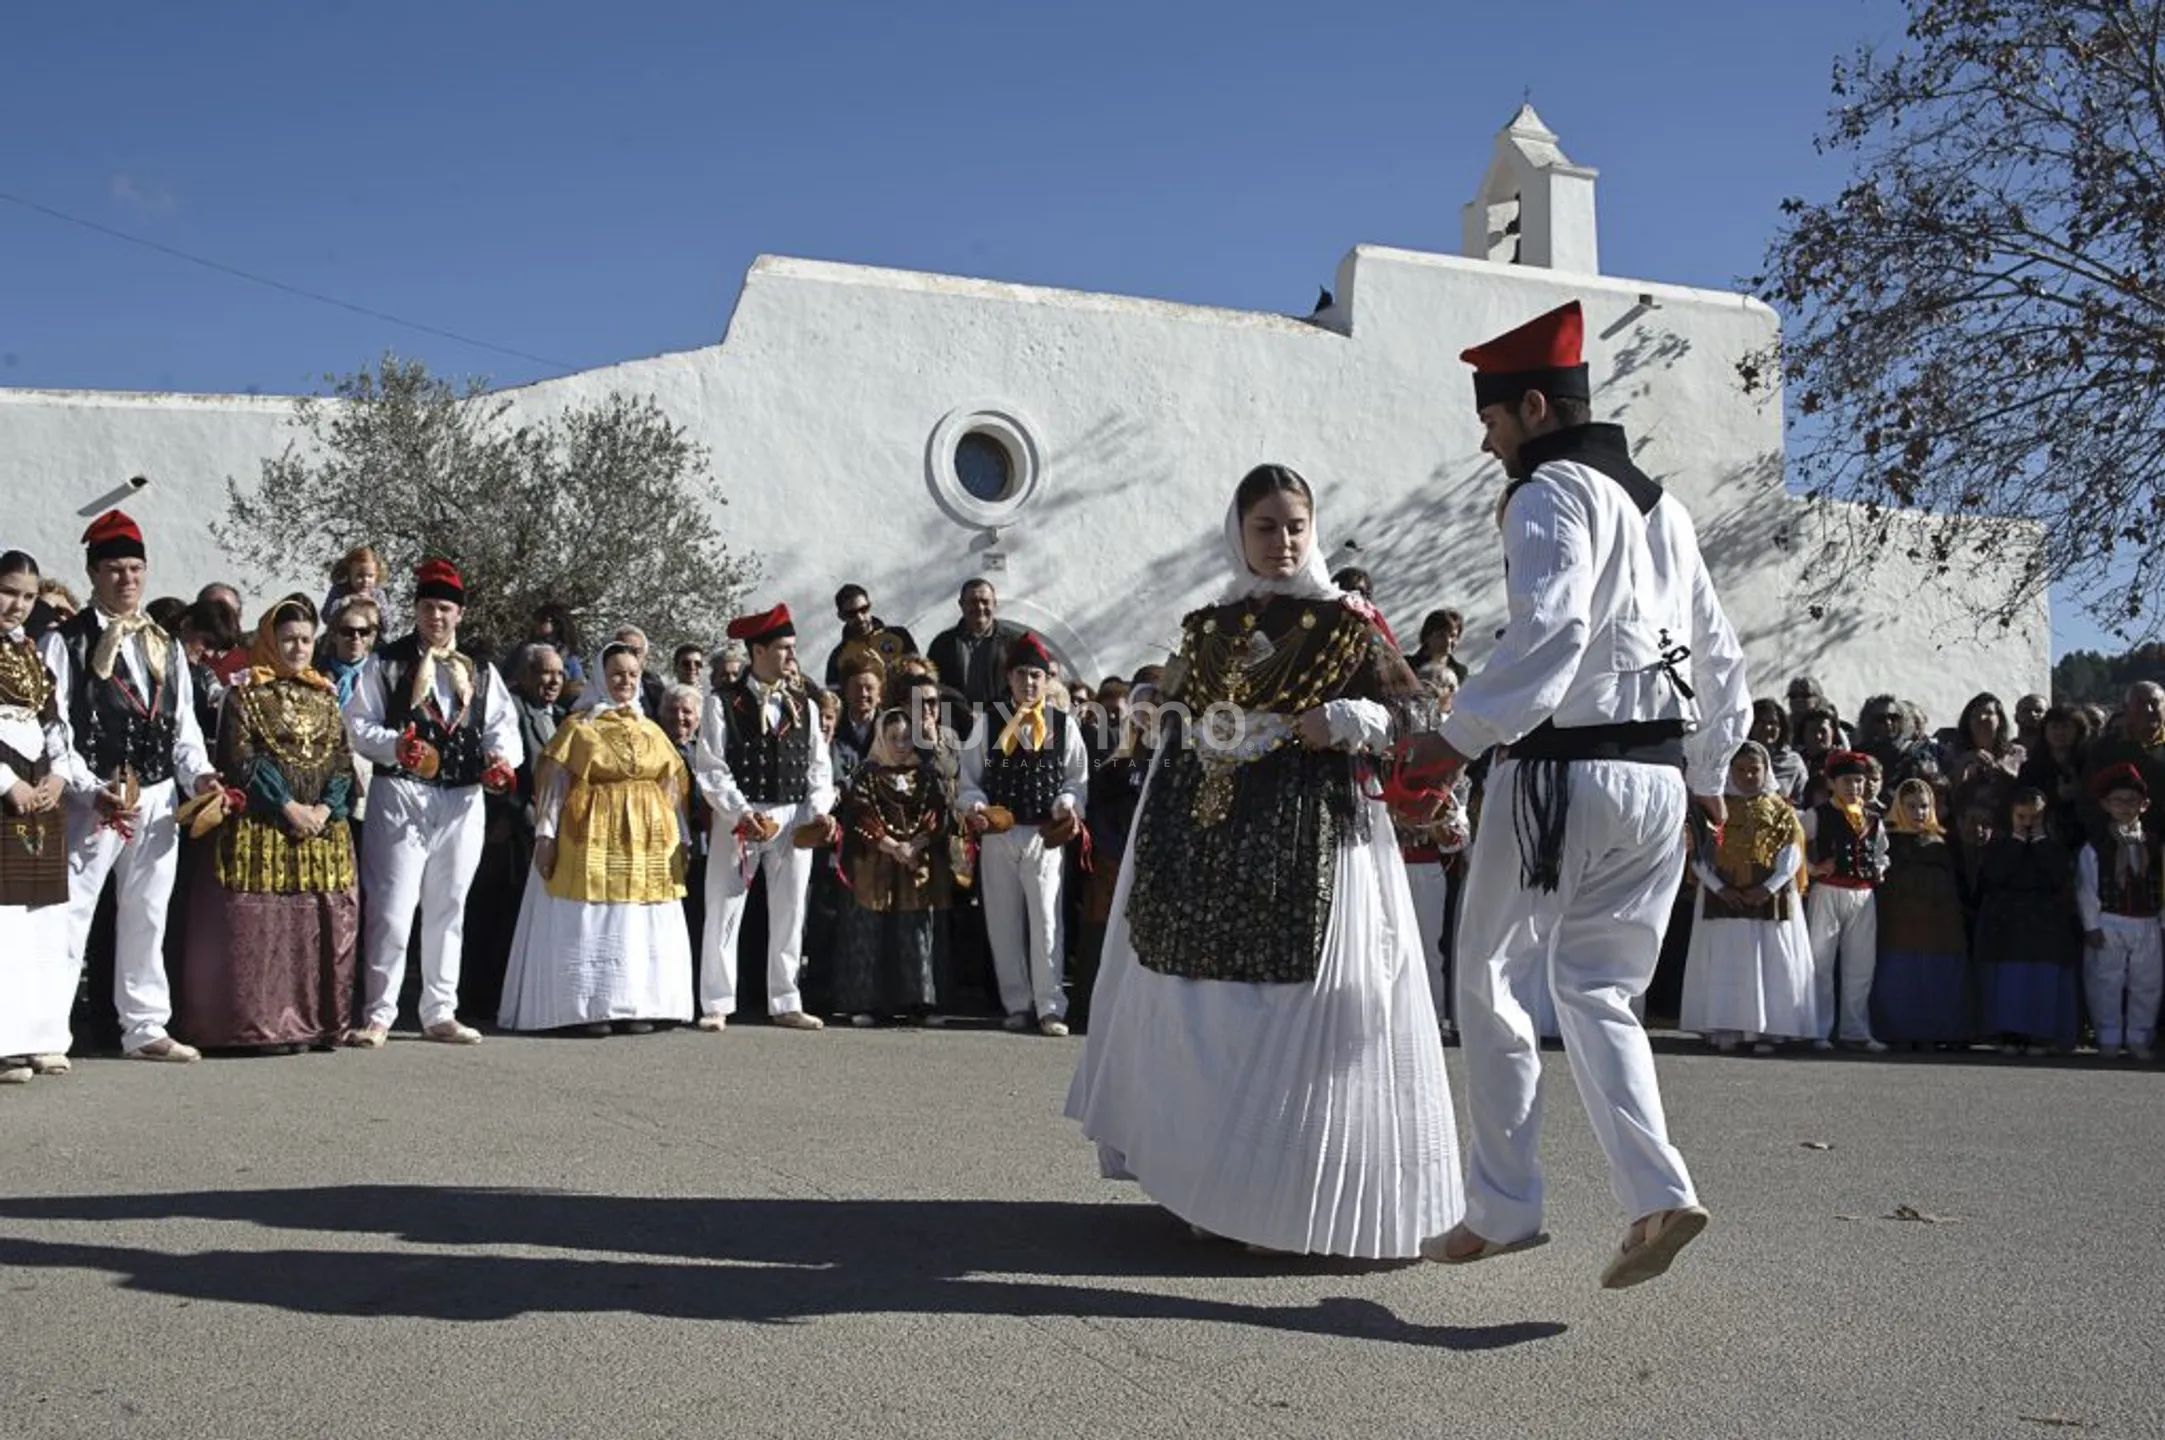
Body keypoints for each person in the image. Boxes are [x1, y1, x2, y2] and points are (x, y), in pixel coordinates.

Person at [1401, 302, 1749, 1287]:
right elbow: (1718, 656)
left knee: (1493, 980)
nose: (1485, 440)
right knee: (1599, 991)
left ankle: (1503, 1207)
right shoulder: (1663, 510)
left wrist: (1451, 739)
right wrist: (1710, 774)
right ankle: (1655, 1194)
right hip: (1654, 781)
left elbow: (1546, 637)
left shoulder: (1548, 491)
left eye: (1493, 421)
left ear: (1532, 408)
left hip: (1559, 776)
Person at [1067, 463, 1462, 1259]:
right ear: (1236, 532)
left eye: (1294, 526)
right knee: (1200, 1008)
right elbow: (1182, 699)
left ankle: (1293, 1205)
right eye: (1264, 527)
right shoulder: (1209, 624)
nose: (1281, 541)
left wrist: (1352, 715)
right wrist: (1155, 705)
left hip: (1311, 836)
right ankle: (1214, 1191)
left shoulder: (1350, 622)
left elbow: (1417, 711)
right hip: (1202, 843)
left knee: (1296, 1010)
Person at [43, 511, 224, 1063]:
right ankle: (48, 1033)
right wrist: (86, 786)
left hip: (158, 794)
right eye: (116, 569)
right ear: (94, 573)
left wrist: (200, 774)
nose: (128, 579)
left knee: (148, 912)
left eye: (136, 568)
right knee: (72, 913)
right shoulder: (66, 641)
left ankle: (144, 1026)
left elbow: (182, 724)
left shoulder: (163, 644)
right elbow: (55, 729)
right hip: (95, 797)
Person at [342, 559, 521, 1048]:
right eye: (427, 607)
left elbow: (502, 727)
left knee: (450, 906)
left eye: (444, 609)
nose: (436, 617)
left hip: (462, 797)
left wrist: (499, 761)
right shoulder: (388, 662)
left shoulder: (480, 670)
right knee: (393, 907)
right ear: (415, 610)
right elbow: (357, 725)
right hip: (401, 791)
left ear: (459, 614)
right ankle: (379, 1012)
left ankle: (440, 1010)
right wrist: (395, 745)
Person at [177, 595, 359, 1052]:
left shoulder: (325, 693)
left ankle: (313, 1023)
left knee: (314, 924)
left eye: (305, 640)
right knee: (261, 928)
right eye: (288, 640)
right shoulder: (244, 693)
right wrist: (287, 806)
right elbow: (242, 759)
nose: (298, 649)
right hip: (262, 825)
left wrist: (322, 809)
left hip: (320, 829)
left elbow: (341, 758)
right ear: (269, 641)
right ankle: (254, 1026)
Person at [498, 642, 695, 1035]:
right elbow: (555, 784)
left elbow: (673, 788)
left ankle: (639, 1002)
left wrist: (683, 838)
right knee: (594, 915)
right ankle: (587, 1004)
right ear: (601, 678)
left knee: (638, 919)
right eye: (617, 674)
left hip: (646, 842)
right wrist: (546, 834)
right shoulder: (579, 727)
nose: (625, 681)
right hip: (588, 834)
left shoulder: (651, 729)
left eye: (632, 674)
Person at [693, 604, 834, 1032]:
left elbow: (819, 765)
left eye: (792, 649)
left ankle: (786, 998)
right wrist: (741, 811)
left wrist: (816, 813)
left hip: (791, 815)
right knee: (724, 905)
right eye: (783, 649)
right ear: (757, 651)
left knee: (791, 910)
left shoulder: (804, 706)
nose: (792, 657)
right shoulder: (721, 703)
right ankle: (717, 1001)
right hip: (742, 815)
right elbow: (712, 766)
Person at [959, 631, 1088, 1036]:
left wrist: (1067, 804)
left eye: (1036, 675)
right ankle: (1017, 1003)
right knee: (1002, 920)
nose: (1029, 683)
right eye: (1021, 675)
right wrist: (976, 807)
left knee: (1048, 920)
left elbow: (1076, 780)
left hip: (1043, 836)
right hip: (1000, 835)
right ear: (1009, 677)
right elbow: (969, 780)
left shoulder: (1064, 726)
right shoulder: (987, 722)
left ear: (1047, 680)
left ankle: (1051, 1006)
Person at [1680, 743, 1816, 1054]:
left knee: (1769, 961)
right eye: (1740, 770)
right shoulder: (1715, 809)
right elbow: (1699, 855)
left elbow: (1792, 851)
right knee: (1726, 961)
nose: (1748, 776)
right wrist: (1720, 887)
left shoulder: (1781, 809)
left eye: (1754, 770)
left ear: (1766, 771)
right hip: (1722, 894)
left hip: (1770, 895)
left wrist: (1768, 887)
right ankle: (1724, 1028)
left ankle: (1767, 1031)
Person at [0, 551, 78, 1084]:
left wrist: (58, 777)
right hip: (8, 786)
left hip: (40, 790)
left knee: (44, 919)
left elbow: (57, 723)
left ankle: (40, 1034)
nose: (18, 605)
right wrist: (9, 783)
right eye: (8, 592)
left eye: (28, 596)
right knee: (4, 922)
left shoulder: (32, 655)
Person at [831, 709, 950, 1026]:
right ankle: (867, 1003)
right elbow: (860, 816)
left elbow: (937, 816)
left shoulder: (927, 776)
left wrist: (916, 845)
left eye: (907, 738)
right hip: (875, 863)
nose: (900, 745)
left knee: (915, 934)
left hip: (915, 864)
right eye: (893, 738)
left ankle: (919, 1003)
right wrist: (892, 846)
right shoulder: (867, 775)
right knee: (870, 933)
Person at [1973, 787, 2080, 1055]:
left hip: (2045, 923)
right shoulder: (1999, 845)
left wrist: (2041, 842)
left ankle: (2041, 1034)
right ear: (2011, 816)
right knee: (2011, 983)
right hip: (2008, 923)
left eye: (2035, 818)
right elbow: (1994, 876)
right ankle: (2010, 1034)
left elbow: (2059, 877)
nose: (2029, 823)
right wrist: (2017, 842)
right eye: (2022, 817)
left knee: (2042, 979)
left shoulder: (2054, 846)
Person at [1870, 779, 1972, 1048]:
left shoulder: (1944, 840)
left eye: (1924, 807)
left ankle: (1939, 1032)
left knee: (1938, 978)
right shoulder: (1886, 839)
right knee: (1900, 978)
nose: (1919, 813)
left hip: (1941, 926)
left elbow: (1960, 879)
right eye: (1911, 806)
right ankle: (1897, 1031)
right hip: (1898, 924)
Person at [1802, 750, 1889, 1053]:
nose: (1854, 787)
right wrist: (1812, 869)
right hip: (1828, 890)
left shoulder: (1874, 819)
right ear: (1832, 783)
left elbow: (1881, 852)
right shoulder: (1818, 815)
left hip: (1863, 894)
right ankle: (1818, 1030)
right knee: (1820, 962)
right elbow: (1793, 844)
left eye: (1859, 781)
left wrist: (1880, 867)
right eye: (1848, 781)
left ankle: (1855, 1030)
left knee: (1861, 965)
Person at [2076, 764, 2163, 1059]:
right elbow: (2087, 887)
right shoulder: (2096, 847)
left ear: (2144, 805)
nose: (2125, 807)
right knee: (2105, 980)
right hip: (2109, 921)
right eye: (2118, 800)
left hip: (2147, 922)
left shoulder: (2154, 844)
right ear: (2105, 805)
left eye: (2132, 801)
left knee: (2147, 983)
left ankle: (2139, 1036)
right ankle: (2109, 1035)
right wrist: (2091, 925)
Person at [926, 579, 1021, 714]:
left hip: (1003, 718)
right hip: (954, 720)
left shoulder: (1014, 643)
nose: (980, 607)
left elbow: (1021, 683)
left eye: (985, 601)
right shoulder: (942, 644)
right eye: (973, 602)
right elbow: (933, 684)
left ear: (995, 604)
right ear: (961, 605)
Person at [2017, 704, 2092, 849]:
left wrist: (2080, 793)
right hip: (2043, 839)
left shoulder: (2089, 764)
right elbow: (2022, 803)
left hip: (2085, 839)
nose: (2060, 732)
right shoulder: (2031, 768)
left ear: (2078, 730)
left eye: (2066, 727)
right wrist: (2056, 796)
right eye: (2054, 727)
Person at [824, 584, 919, 688]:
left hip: (906, 702)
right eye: (852, 614)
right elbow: (834, 700)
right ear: (841, 616)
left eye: (864, 609)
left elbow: (920, 679)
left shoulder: (899, 635)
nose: (860, 617)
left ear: (870, 605)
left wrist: (917, 704)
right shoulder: (838, 656)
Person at [1751, 699, 1809, 805]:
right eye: (1760, 722)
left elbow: (1801, 801)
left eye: (1773, 723)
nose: (1767, 728)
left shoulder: (1793, 762)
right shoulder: (1736, 758)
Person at [1409, 608, 1468, 682]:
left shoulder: (1460, 672)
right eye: (1441, 635)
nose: (1448, 641)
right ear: (1427, 636)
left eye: (1453, 636)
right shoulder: (1407, 666)